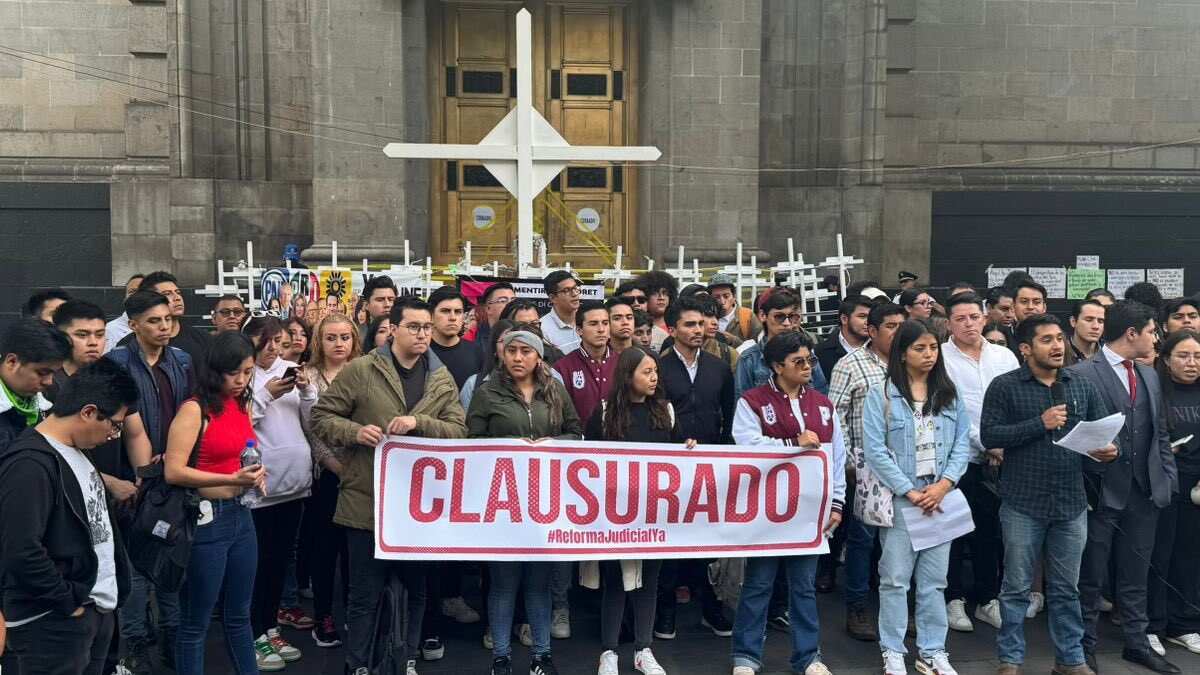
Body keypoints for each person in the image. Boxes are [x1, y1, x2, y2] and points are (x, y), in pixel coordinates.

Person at [312, 296, 468, 675]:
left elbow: (459, 431)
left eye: (426, 327)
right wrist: (354, 431)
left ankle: (406, 659)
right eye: (414, 327)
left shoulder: (441, 377)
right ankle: (358, 664)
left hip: (418, 507)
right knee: (364, 595)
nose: (422, 334)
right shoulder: (362, 370)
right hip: (367, 500)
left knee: (416, 591)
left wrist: (420, 423)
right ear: (393, 329)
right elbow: (321, 416)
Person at [980, 313, 1118, 675]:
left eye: (1059, 338)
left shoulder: (1081, 385)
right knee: (1016, 587)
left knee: (1066, 589)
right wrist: (1038, 424)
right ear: (1026, 349)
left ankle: (1070, 660)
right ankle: (1010, 660)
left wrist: (1109, 449)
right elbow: (990, 435)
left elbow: (1104, 431)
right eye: (1047, 340)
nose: (1057, 346)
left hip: (1071, 502)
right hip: (1022, 501)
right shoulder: (1005, 386)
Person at [0, 359, 137, 675]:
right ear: (88, 412)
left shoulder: (76, 450)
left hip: (92, 612)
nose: (114, 435)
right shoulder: (29, 464)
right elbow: (20, 550)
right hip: (53, 623)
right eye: (114, 425)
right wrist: (67, 601)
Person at [1070, 301, 1180, 674]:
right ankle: (1083, 648)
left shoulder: (1149, 374)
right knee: (1091, 576)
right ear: (1131, 333)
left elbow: (1159, 432)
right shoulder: (1081, 373)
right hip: (1099, 492)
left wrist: (1167, 479)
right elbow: (1070, 434)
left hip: (1144, 491)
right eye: (1151, 331)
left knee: (1137, 574)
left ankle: (1137, 642)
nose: (1156, 338)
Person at [467, 330, 582, 675]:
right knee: (503, 583)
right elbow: (471, 441)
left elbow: (576, 431)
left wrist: (553, 443)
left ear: (538, 357)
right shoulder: (487, 392)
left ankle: (541, 657)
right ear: (502, 354)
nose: (518, 357)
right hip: (502, 503)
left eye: (526, 351)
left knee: (538, 583)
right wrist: (508, 448)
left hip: (545, 500)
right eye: (512, 350)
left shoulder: (555, 389)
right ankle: (501, 658)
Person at [730, 331, 846, 675]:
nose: (808, 367)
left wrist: (837, 502)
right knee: (759, 583)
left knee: (804, 586)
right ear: (777, 366)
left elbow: (837, 457)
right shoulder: (752, 401)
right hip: (766, 509)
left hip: (809, 510)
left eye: (810, 360)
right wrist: (792, 443)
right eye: (798, 361)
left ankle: (809, 656)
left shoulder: (823, 405)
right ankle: (745, 656)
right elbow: (745, 445)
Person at [863, 319, 971, 675]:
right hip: (902, 499)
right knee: (894, 579)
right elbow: (875, 450)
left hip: (940, 498)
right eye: (919, 348)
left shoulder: (948, 393)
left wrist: (945, 484)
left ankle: (933, 650)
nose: (928, 355)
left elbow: (962, 443)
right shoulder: (882, 394)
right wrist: (908, 490)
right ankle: (892, 650)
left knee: (935, 582)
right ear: (902, 353)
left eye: (933, 348)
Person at [584, 346, 691, 675]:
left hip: (655, 514)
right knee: (615, 582)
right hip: (615, 515)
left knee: (649, 581)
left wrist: (689, 449)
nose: (654, 377)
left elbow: (679, 457)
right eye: (646, 371)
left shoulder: (666, 411)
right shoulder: (605, 412)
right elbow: (586, 460)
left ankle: (644, 649)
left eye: (655, 370)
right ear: (627, 375)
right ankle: (609, 652)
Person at [164, 332, 266, 675]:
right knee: (196, 621)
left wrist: (256, 472)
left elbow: (246, 447)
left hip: (241, 513)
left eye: (248, 372)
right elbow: (174, 471)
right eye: (233, 373)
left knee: (239, 614)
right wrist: (232, 479)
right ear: (214, 371)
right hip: (206, 519)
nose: (241, 381)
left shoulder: (241, 404)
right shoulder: (194, 409)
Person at [104, 291, 194, 673]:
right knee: (137, 564)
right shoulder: (117, 362)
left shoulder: (182, 360)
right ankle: (136, 644)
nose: (164, 327)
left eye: (167, 319)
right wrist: (142, 476)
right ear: (134, 324)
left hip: (175, 474)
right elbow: (127, 425)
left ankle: (172, 639)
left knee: (172, 556)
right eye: (154, 321)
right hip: (134, 477)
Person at [656, 296, 736, 640]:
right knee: (670, 542)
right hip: (669, 469)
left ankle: (709, 606)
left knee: (706, 540)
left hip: (709, 467)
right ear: (672, 329)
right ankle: (665, 609)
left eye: (701, 324)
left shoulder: (719, 368)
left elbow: (729, 417)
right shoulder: (657, 368)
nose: (698, 330)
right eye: (689, 324)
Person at [938, 293, 1019, 634]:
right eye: (960, 318)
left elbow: (1018, 401)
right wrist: (988, 443)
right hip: (957, 459)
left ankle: (988, 598)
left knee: (991, 532)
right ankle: (953, 598)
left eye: (974, 316)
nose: (969, 324)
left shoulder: (1004, 356)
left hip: (1003, 459)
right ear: (949, 323)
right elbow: (949, 410)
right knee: (954, 531)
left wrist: (1005, 443)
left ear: (985, 318)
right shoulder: (940, 358)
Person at [240, 316, 317, 669]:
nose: (273, 348)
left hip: (294, 483)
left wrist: (307, 391)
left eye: (279, 342)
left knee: (278, 562)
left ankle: (270, 628)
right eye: (266, 340)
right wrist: (266, 395)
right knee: (256, 566)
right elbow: (240, 424)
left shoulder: (291, 369)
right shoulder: (243, 375)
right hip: (260, 488)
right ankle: (252, 633)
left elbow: (312, 421)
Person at [827, 302, 905, 642]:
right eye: (891, 326)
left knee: (901, 542)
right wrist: (848, 464)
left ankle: (898, 610)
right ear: (872, 331)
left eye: (902, 325)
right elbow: (835, 416)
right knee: (862, 541)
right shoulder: (850, 365)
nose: (898, 332)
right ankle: (857, 608)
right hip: (866, 467)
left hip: (906, 468)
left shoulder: (911, 362)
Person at [51, 300, 150, 507]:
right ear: (60, 336)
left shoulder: (114, 374)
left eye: (99, 334)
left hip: (115, 497)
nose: (93, 342)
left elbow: (135, 434)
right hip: (64, 493)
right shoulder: (47, 382)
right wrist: (107, 482)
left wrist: (143, 477)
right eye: (82, 335)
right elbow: (54, 453)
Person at [301, 314, 360, 649]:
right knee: (325, 548)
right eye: (331, 337)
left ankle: (355, 610)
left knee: (356, 549)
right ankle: (323, 615)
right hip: (325, 474)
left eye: (345, 337)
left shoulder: (365, 371)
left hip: (362, 470)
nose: (339, 343)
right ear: (319, 342)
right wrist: (335, 466)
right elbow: (311, 430)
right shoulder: (308, 375)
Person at [1147, 330, 1200, 654]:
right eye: (1183, 355)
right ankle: (1153, 625)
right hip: (1163, 484)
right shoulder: (1155, 391)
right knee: (1159, 556)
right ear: (1166, 360)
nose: (1191, 362)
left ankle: (1185, 624)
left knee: (1190, 557)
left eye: (1197, 356)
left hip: (1197, 487)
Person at [735, 289, 827, 397]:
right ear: (763, 315)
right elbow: (742, 402)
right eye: (779, 317)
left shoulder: (807, 354)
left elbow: (822, 396)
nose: (787, 323)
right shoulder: (749, 359)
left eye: (792, 317)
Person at [0, 318, 72, 451]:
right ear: (12, 362)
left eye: (53, 373)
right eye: (42, 372)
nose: (49, 382)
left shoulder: (48, 399)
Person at [132, 271, 212, 370]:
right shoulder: (130, 345)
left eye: (178, 292)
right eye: (167, 294)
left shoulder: (203, 339)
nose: (177, 298)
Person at [428, 287, 483, 390]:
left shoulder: (478, 352)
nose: (453, 317)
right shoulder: (421, 351)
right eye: (445, 311)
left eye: (458, 312)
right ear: (431, 315)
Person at [816, 295, 871, 382]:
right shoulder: (820, 352)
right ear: (844, 319)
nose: (868, 322)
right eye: (862, 316)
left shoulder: (880, 348)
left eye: (870, 317)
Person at [709, 273, 762, 344]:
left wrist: (734, 341)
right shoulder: (706, 318)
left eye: (726, 296)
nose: (722, 301)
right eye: (717, 297)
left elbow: (759, 346)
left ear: (734, 296)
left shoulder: (747, 316)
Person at [540, 271, 583, 353]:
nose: (574, 294)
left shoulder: (587, 319)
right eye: (566, 290)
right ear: (552, 298)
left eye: (575, 288)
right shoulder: (543, 330)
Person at [636, 271, 679, 351]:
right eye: (655, 293)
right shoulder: (635, 326)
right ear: (644, 297)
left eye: (665, 293)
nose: (661, 298)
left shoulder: (677, 324)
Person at [104, 274, 144, 353]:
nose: (137, 296)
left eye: (142, 291)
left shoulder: (162, 327)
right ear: (125, 298)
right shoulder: (109, 330)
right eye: (132, 292)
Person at [1066, 299, 1106, 366]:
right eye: (1089, 320)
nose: (1096, 326)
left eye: (1100, 321)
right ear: (1073, 321)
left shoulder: (1110, 353)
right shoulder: (1060, 352)